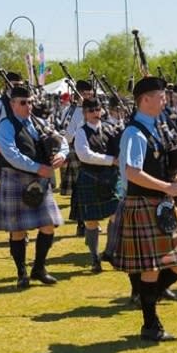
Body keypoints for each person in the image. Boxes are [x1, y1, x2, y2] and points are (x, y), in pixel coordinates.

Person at [107, 77, 177, 341]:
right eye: (160, 96)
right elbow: (133, 172)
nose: (165, 99)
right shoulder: (134, 132)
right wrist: (167, 188)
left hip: (162, 203)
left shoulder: (158, 127)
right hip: (142, 203)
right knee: (152, 268)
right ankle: (150, 324)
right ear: (145, 100)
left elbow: (170, 160)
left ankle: (148, 301)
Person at [0, 86, 68, 289]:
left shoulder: (39, 123)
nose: (28, 106)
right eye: (23, 102)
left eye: (30, 102)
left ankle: (39, 268)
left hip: (39, 180)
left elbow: (62, 139)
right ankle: (21, 272)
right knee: (18, 230)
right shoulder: (6, 125)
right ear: (13, 104)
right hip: (16, 178)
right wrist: (37, 167)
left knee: (49, 225)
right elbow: (11, 154)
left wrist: (62, 154)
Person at [71, 98, 123, 273]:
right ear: (85, 113)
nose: (95, 113)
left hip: (110, 180)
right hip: (90, 178)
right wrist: (111, 160)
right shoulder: (81, 132)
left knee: (116, 216)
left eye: (98, 109)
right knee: (91, 222)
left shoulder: (110, 130)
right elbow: (85, 155)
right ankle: (94, 258)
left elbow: (119, 149)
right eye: (91, 110)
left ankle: (109, 251)